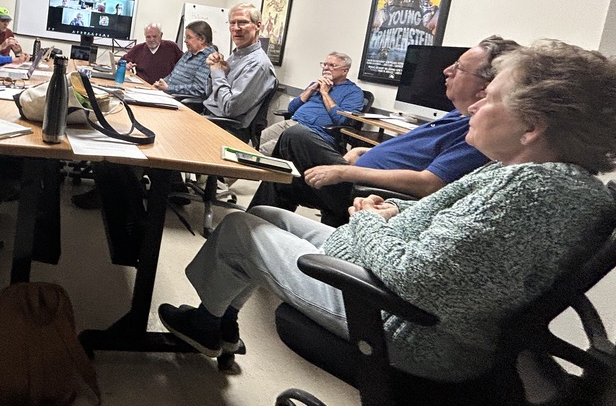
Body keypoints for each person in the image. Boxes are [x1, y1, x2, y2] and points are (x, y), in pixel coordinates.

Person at [159, 40, 616, 383]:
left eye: (490, 97)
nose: (475, 105)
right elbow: (439, 221)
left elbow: (418, 279)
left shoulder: (530, 189)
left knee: (239, 226)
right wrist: (392, 211)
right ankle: (213, 321)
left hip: (398, 322)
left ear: (533, 126)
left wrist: (369, 220)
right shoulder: (535, 178)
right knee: (270, 218)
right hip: (384, 275)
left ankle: (208, 321)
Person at [254, 36, 520, 226]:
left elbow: (430, 183)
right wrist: (369, 150)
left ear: (486, 86)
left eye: (459, 67)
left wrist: (344, 171)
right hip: (358, 173)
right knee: (285, 178)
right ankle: (256, 232)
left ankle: (250, 233)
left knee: (295, 138)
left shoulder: (479, 130)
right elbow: (412, 154)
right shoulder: (456, 115)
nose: (447, 70)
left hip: (368, 191)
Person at [256, 52, 365, 150]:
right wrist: (311, 89)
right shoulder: (316, 85)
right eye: (325, 64)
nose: (326, 68)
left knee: (263, 151)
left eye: (332, 65)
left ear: (345, 70)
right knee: (253, 143)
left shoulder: (353, 92)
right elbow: (291, 109)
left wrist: (324, 93)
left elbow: (342, 120)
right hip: (292, 123)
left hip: (314, 133)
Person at [202, 3, 276, 130]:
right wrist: (216, 71)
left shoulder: (258, 64)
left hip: (225, 128)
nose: (236, 28)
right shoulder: (235, 56)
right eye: (232, 23)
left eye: (242, 22)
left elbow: (230, 108)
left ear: (258, 25)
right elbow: (208, 94)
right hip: (208, 116)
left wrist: (217, 73)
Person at [153, 20, 216, 99]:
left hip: (181, 101)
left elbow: (199, 89)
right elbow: (173, 75)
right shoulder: (188, 53)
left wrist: (169, 88)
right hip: (168, 95)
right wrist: (161, 83)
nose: (185, 40)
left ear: (202, 39)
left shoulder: (210, 58)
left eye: (189, 37)